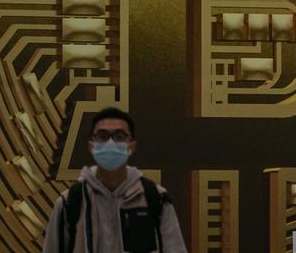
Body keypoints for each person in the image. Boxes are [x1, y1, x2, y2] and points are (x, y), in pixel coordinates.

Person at [42, 107, 187, 253]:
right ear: (91, 146)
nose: (110, 143)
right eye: (102, 136)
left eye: (119, 136)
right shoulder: (70, 202)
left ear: (132, 146)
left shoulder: (156, 199)